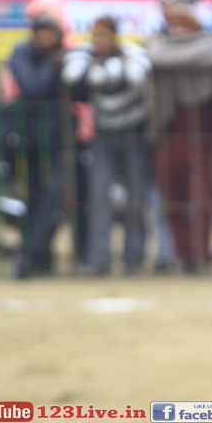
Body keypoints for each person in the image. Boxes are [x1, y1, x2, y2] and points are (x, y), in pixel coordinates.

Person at [146, 0, 212, 272]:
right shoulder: (159, 44)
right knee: (171, 200)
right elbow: (154, 55)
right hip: (169, 132)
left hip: (204, 136)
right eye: (172, 25)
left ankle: (201, 256)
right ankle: (184, 255)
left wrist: (174, 54)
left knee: (202, 199)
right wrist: (184, 54)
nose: (176, 30)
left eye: (182, 25)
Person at [62, 15, 152, 274]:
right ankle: (98, 259)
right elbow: (74, 78)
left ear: (114, 35)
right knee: (98, 197)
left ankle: (134, 259)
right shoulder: (86, 56)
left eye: (103, 35)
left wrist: (101, 70)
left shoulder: (132, 53)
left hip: (134, 135)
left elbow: (135, 77)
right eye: (95, 35)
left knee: (136, 199)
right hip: (102, 136)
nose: (98, 40)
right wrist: (113, 69)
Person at [4, 0, 71, 278]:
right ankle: (35, 257)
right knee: (32, 198)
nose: (45, 36)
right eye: (41, 31)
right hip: (29, 138)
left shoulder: (68, 54)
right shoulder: (22, 53)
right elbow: (33, 88)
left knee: (55, 197)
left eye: (50, 31)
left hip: (60, 139)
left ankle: (30, 254)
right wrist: (52, 65)